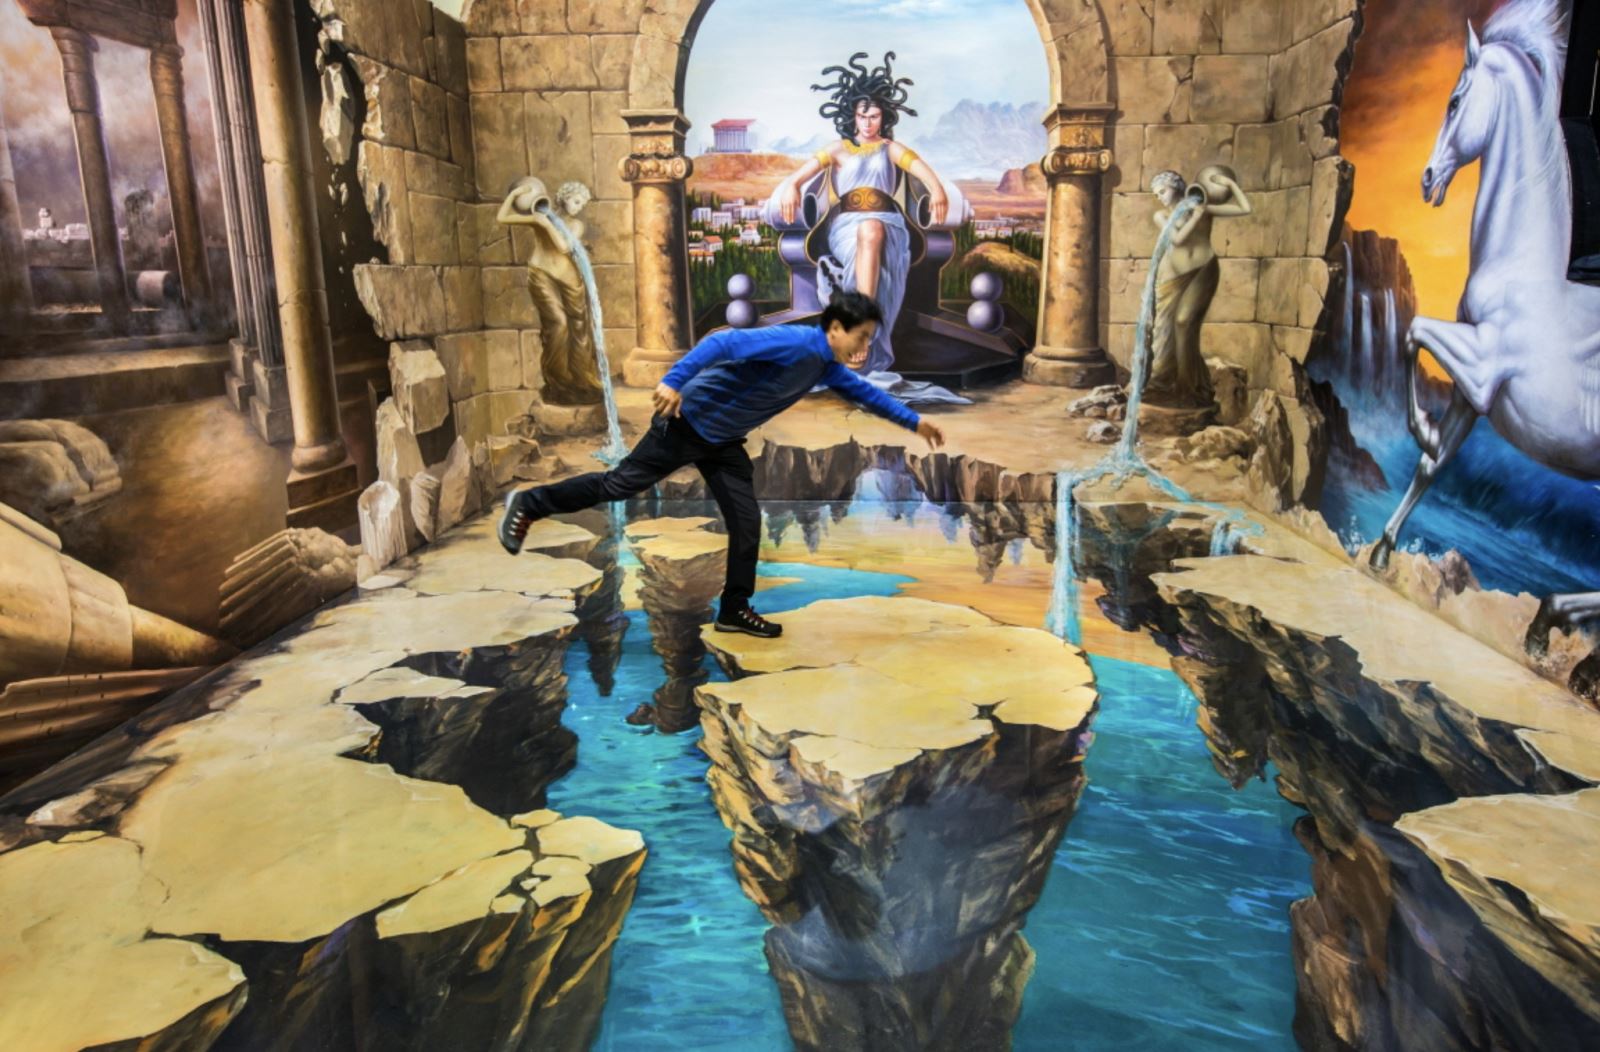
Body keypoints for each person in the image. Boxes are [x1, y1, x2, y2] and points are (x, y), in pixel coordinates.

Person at [498, 291, 946, 638]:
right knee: (618, 485)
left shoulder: (824, 367)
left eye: (869, 337)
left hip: (723, 440)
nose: (866, 344)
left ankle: (734, 610)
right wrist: (674, 380)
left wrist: (915, 422)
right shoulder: (796, 343)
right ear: (834, 329)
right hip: (686, 422)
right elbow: (725, 341)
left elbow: (866, 395)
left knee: (746, 520)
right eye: (861, 335)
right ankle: (530, 504)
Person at [766, 52, 967, 408]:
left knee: (872, 228)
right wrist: (792, 187)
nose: (869, 123)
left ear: (883, 117)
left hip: (888, 225)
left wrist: (936, 190)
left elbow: (922, 170)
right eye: (863, 115)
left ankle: (860, 329)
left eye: (875, 116)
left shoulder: (890, 149)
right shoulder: (837, 150)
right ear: (853, 116)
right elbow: (800, 176)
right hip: (844, 227)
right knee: (866, 230)